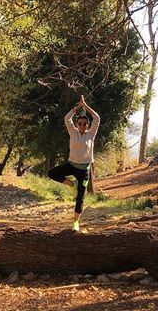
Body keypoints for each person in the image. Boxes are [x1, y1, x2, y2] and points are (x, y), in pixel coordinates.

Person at [47, 95, 100, 231]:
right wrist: (77, 108)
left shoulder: (91, 134)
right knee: (52, 173)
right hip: (71, 165)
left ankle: (76, 223)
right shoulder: (73, 132)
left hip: (84, 171)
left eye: (84, 124)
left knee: (80, 196)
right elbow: (67, 118)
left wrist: (86, 106)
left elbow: (97, 118)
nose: (82, 126)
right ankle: (72, 184)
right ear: (77, 125)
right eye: (80, 123)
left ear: (87, 125)